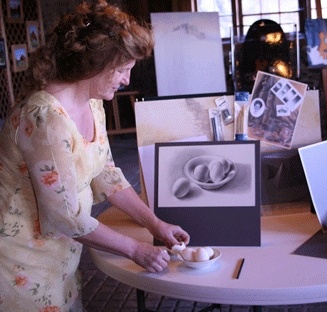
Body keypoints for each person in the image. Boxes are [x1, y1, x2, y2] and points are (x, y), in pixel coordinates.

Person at [0, 1, 190, 311]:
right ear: (97, 64)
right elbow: (65, 216)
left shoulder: (92, 102)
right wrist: (136, 250)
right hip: (18, 261)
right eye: (124, 69)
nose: (127, 80)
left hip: (60, 252)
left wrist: (156, 225)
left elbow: (107, 174)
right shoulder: (45, 118)